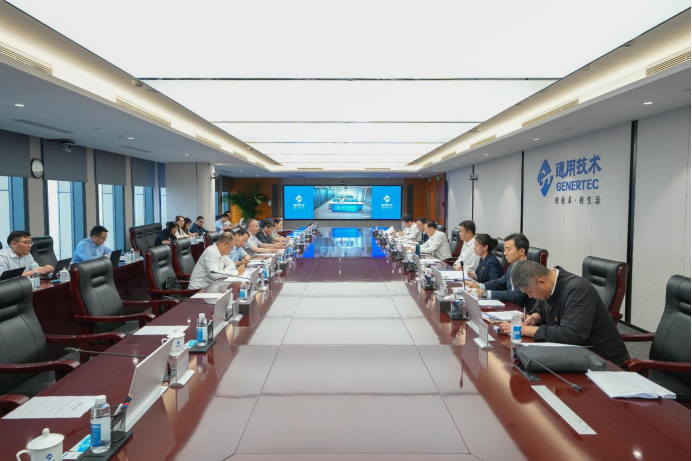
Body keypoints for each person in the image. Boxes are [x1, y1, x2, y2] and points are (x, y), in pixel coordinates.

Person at [498, 260, 630, 367]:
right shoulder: (549, 285)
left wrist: (524, 330)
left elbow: (571, 334)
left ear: (542, 281)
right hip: (573, 354)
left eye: (530, 292)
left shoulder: (577, 290)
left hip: (603, 361)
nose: (530, 297)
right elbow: (540, 310)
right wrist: (533, 318)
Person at [465, 232, 533, 309]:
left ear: (521, 251)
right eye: (504, 250)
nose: (505, 253)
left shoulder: (529, 270)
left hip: (523, 311)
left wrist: (485, 293)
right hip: (509, 307)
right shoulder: (512, 266)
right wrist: (479, 286)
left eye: (508, 250)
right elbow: (499, 283)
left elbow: (516, 295)